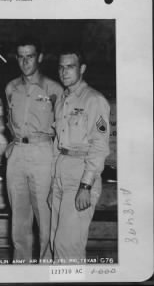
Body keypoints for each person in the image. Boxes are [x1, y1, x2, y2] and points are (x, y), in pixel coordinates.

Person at [4, 37, 63, 264]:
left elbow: (62, 128)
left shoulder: (54, 88)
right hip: (18, 153)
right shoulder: (11, 87)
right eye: (21, 56)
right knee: (19, 219)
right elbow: (11, 122)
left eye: (30, 56)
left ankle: (46, 269)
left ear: (39, 57)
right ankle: (22, 269)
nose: (25, 61)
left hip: (43, 152)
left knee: (45, 218)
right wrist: (12, 143)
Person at [48, 47, 110, 264]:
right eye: (61, 67)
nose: (64, 72)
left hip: (81, 173)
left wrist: (86, 186)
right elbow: (58, 142)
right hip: (61, 173)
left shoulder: (94, 100)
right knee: (54, 241)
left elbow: (100, 146)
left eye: (70, 67)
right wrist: (54, 181)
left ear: (82, 69)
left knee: (68, 248)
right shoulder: (62, 100)